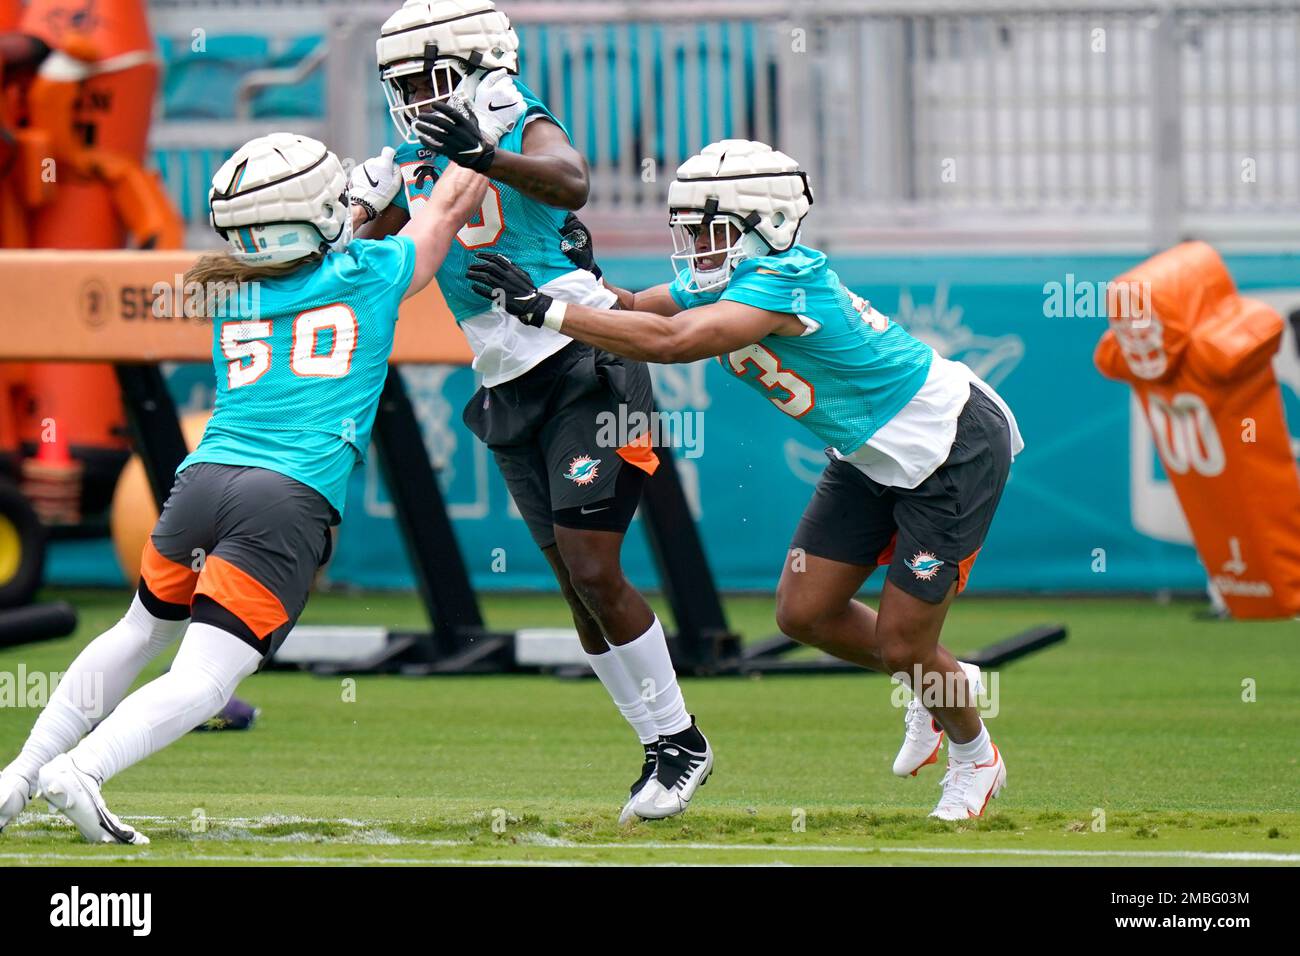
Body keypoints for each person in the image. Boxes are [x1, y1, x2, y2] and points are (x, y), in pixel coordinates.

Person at [465, 139, 1025, 820]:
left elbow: (673, 344)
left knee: (904, 642)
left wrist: (546, 311)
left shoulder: (783, 279)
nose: (697, 245)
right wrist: (576, 278)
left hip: (947, 446)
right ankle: (943, 681)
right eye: (691, 230)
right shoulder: (730, 273)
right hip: (868, 456)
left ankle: (975, 758)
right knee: (804, 613)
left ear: (768, 224)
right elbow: (642, 304)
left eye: (710, 230)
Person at [0, 131, 486, 843]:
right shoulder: (370, 273)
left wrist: (358, 197)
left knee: (138, 631)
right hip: (282, 498)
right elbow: (443, 213)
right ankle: (85, 769)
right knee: (208, 679)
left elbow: (302, 242)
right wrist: (478, 141)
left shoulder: (230, 285)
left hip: (199, 480)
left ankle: (18, 773)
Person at [350, 0, 712, 822]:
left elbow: (573, 180)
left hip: (585, 355)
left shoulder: (517, 117)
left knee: (593, 566)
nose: (413, 92)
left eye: (427, 73)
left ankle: (682, 742)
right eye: (400, 79)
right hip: (509, 379)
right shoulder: (411, 156)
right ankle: (659, 744)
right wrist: (339, 212)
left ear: (480, 63)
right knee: (573, 586)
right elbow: (373, 239)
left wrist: (485, 155)